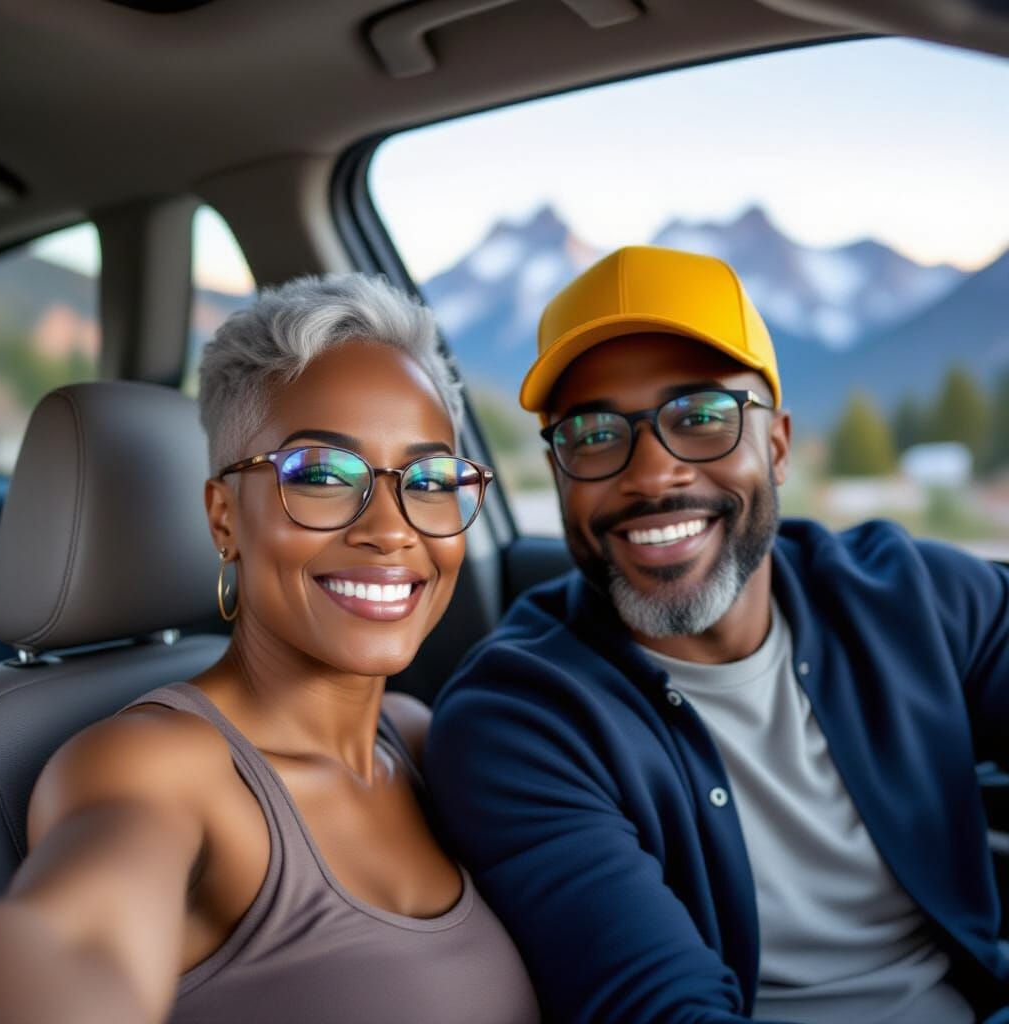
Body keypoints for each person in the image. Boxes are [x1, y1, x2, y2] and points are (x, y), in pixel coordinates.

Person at [426, 246, 1009, 1024]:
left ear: (777, 444)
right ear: (561, 473)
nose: (653, 473)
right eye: (595, 433)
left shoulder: (918, 597)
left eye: (701, 418)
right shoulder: (519, 720)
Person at [0, 274, 540, 1024]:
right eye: (319, 474)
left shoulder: (418, 737)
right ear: (223, 518)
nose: (392, 528)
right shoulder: (157, 766)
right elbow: (78, 946)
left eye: (431, 478)